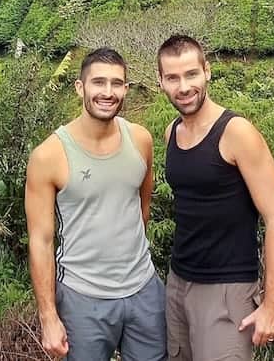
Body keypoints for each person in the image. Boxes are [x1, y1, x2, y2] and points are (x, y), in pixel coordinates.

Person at [25, 47, 166, 360]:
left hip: (143, 290)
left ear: (126, 89)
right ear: (80, 87)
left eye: (117, 84)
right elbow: (41, 240)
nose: (108, 92)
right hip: (82, 298)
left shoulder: (140, 140)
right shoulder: (48, 156)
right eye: (98, 82)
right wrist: (49, 317)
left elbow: (142, 207)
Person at [156, 34, 274, 361]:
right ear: (160, 82)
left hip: (227, 290)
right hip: (178, 283)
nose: (184, 86)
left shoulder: (236, 133)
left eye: (191, 74)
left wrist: (272, 306)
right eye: (173, 78)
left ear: (207, 72)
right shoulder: (171, 133)